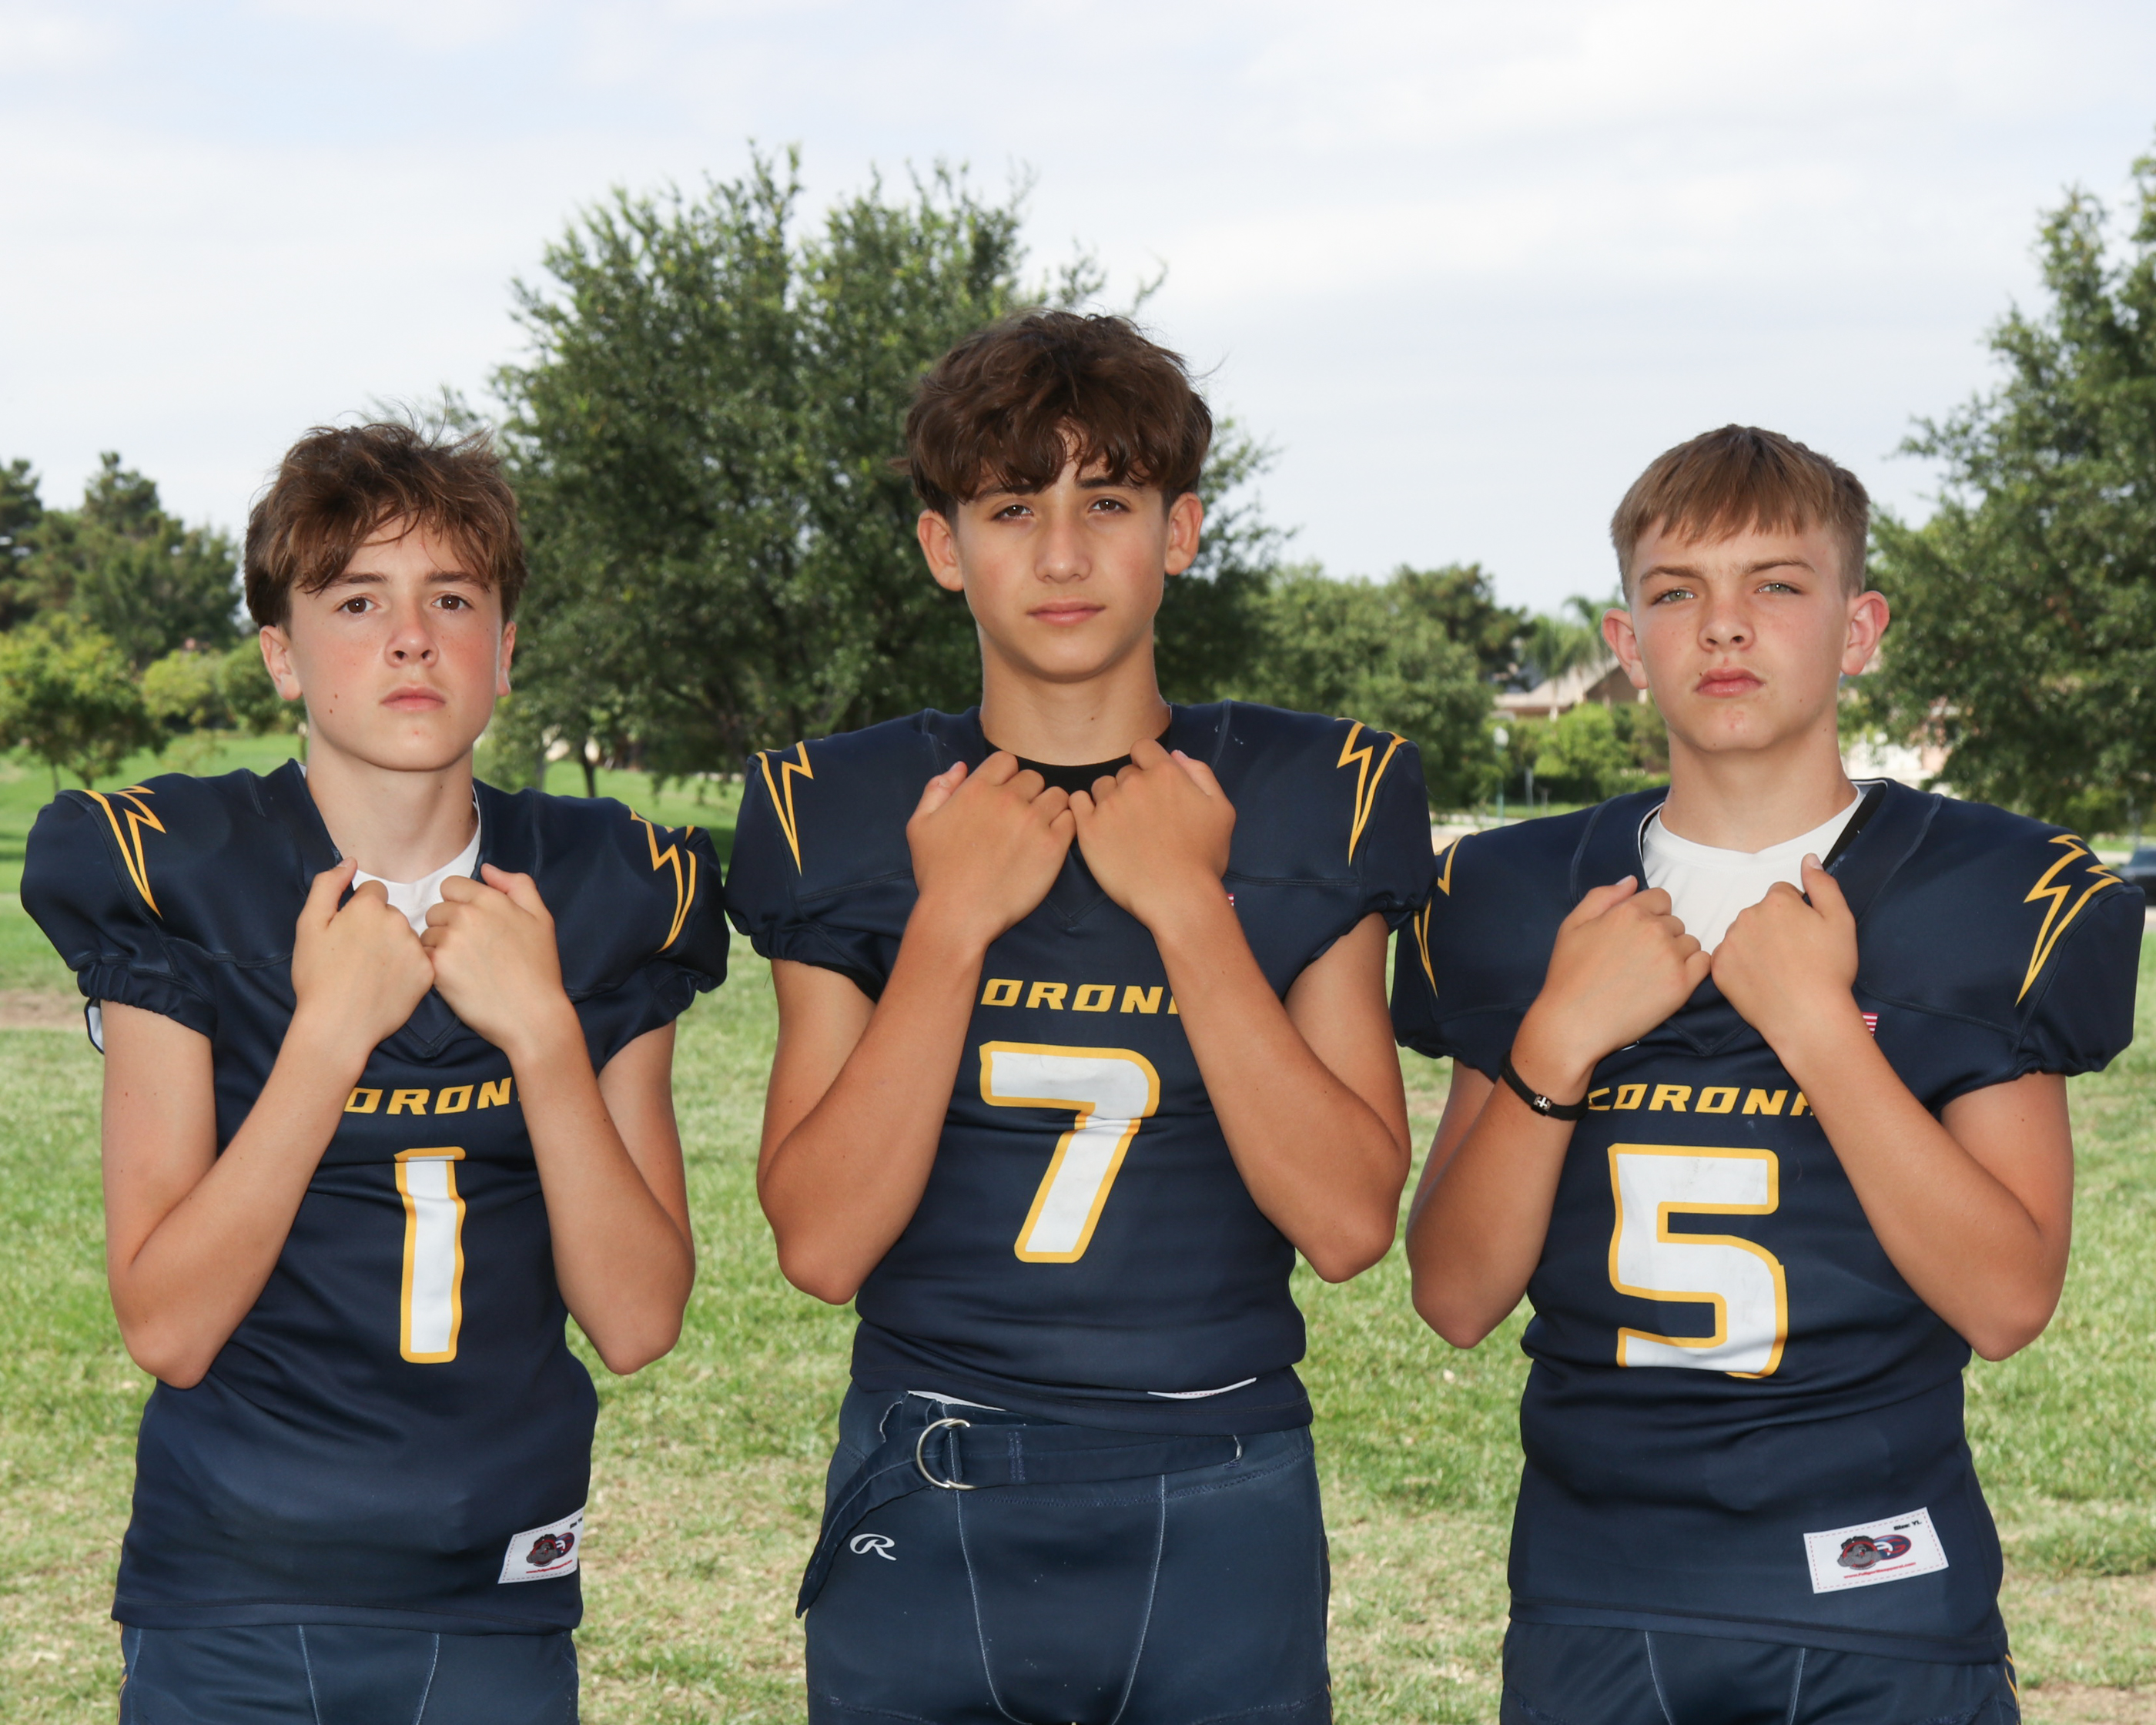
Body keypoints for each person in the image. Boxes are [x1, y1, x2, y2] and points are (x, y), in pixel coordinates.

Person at [726, 310, 1434, 1725]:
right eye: (1012, 509)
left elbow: (1351, 1222)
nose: (1061, 555)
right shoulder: (840, 809)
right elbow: (820, 1244)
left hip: (1219, 1475)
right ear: (945, 548)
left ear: (1180, 532)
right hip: (931, 1474)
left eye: (1106, 503)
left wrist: (1188, 909)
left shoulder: (1316, 793)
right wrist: (950, 922)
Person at [1393, 425, 2143, 1724]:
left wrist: (1818, 1030)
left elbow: (2007, 1301)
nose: (1725, 626)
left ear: (1860, 629)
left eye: (1777, 585)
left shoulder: (1985, 889)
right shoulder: (1520, 897)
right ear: (1628, 645)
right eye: (1677, 592)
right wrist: (1557, 1040)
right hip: (1599, 1596)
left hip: (1882, 1593)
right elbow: (1456, 1298)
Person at [22, 423, 728, 1724]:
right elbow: (167, 1328)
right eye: (357, 601)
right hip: (232, 1597)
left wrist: (544, 1035)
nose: (411, 639)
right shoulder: (184, 872)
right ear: (282, 655)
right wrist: (329, 1034)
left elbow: (638, 1322)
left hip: (496, 1593)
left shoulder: (601, 889)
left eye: (452, 599)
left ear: (505, 651)